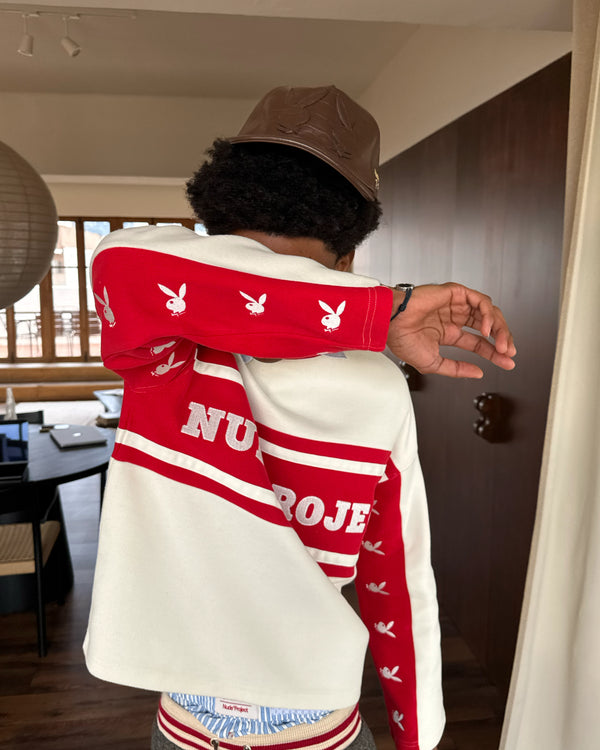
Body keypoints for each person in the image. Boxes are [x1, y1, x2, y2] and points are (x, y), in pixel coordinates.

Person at [84, 85, 516, 750]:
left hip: (189, 722)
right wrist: (417, 733)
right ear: (349, 258)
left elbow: (123, 263)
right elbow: (397, 578)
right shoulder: (372, 382)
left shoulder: (162, 348)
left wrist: (378, 312)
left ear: (216, 231)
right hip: (317, 722)